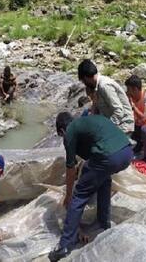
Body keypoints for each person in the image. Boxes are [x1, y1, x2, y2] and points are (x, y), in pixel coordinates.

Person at [48, 112, 133, 262]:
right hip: (127, 153)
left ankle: (65, 245)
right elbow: (91, 158)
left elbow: (70, 168)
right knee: (104, 179)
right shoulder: (87, 122)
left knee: (79, 195)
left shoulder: (70, 132)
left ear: (62, 131)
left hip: (108, 156)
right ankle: (103, 222)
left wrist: (68, 195)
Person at [78, 59, 134, 134]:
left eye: (83, 81)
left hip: (123, 126)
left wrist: (105, 127)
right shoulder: (96, 88)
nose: (84, 83)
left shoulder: (104, 86)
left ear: (86, 77)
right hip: (113, 125)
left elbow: (118, 111)